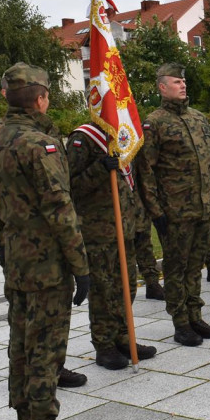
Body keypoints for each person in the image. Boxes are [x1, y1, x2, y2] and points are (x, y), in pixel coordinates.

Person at [0, 62, 94, 420]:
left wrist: (4, 247)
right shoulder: (38, 144)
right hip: (46, 265)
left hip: (16, 261)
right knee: (45, 346)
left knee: (21, 344)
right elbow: (60, 209)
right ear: (41, 99)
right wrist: (81, 266)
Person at [0, 75, 87, 391]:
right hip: (40, 253)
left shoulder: (40, 132)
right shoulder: (6, 137)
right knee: (38, 327)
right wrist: (80, 264)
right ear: (39, 98)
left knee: (30, 328)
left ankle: (47, 381)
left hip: (19, 248)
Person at [135, 63, 210, 347]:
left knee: (195, 265)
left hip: (201, 207)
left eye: (183, 80)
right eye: (176, 81)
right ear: (162, 87)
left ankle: (195, 315)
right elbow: (145, 170)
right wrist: (156, 211)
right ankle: (181, 323)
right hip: (174, 211)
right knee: (176, 267)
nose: (183, 85)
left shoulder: (198, 118)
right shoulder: (154, 122)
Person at [66, 122, 157, 369]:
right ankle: (104, 345)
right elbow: (70, 185)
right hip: (98, 231)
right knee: (104, 290)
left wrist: (138, 222)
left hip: (124, 227)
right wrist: (99, 169)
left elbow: (132, 184)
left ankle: (124, 337)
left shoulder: (124, 136)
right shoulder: (83, 138)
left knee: (127, 287)